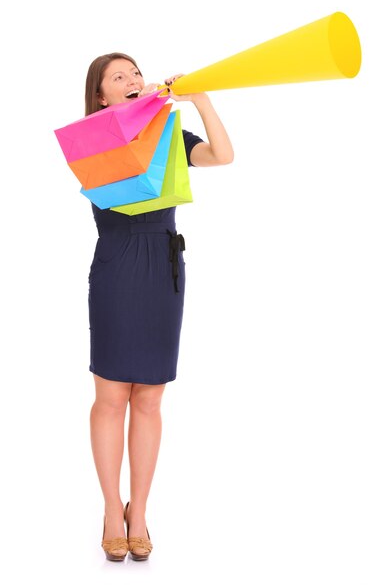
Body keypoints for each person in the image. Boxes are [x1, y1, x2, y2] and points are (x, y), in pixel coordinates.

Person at [84, 52, 234, 561]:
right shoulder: (93, 141)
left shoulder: (168, 135)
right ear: (102, 96)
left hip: (164, 267)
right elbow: (121, 192)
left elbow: (223, 155)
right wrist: (140, 121)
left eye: (136, 73)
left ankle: (139, 511)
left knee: (149, 397)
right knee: (111, 395)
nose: (133, 80)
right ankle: (110, 509)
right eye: (119, 77)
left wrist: (199, 101)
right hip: (118, 264)